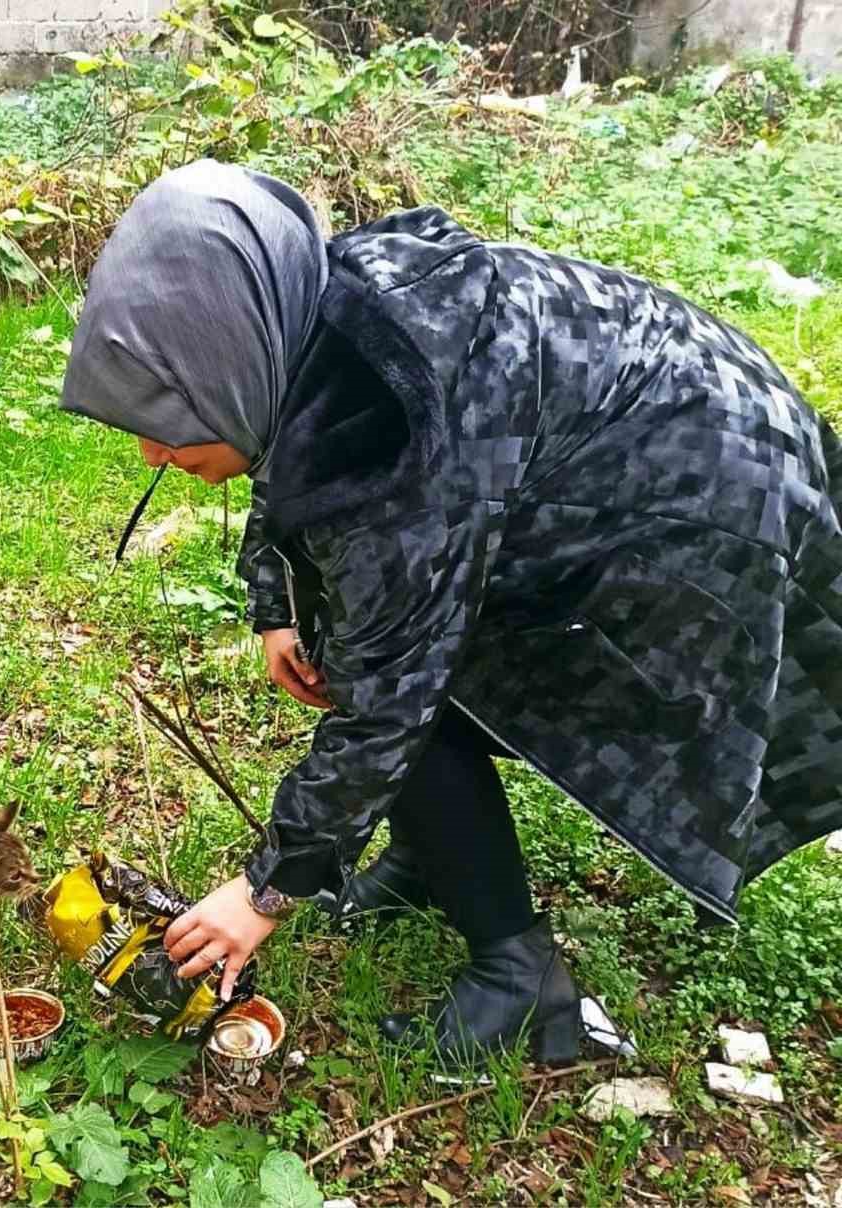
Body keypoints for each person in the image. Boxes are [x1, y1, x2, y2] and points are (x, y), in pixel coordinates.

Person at [59, 158, 842, 1067]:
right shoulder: (305, 322)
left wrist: (262, 892)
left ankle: (522, 982)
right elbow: (299, 462)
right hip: (650, 425)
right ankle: (436, 861)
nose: (154, 452)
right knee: (383, 644)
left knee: (414, 679)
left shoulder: (412, 442)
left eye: (172, 419)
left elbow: (392, 696)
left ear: (234, 369)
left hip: (706, 496)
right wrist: (279, 605)